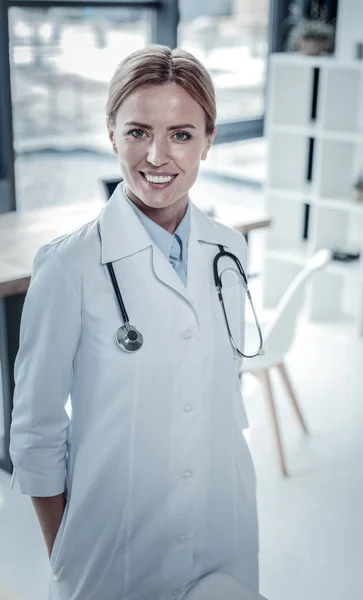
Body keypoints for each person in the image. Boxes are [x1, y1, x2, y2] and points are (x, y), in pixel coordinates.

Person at [10, 45, 259, 600]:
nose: (157, 156)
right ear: (112, 135)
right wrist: (68, 553)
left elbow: (221, 389)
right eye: (139, 131)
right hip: (110, 548)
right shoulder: (68, 266)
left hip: (224, 521)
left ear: (209, 140)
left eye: (181, 134)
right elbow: (35, 433)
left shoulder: (230, 249)